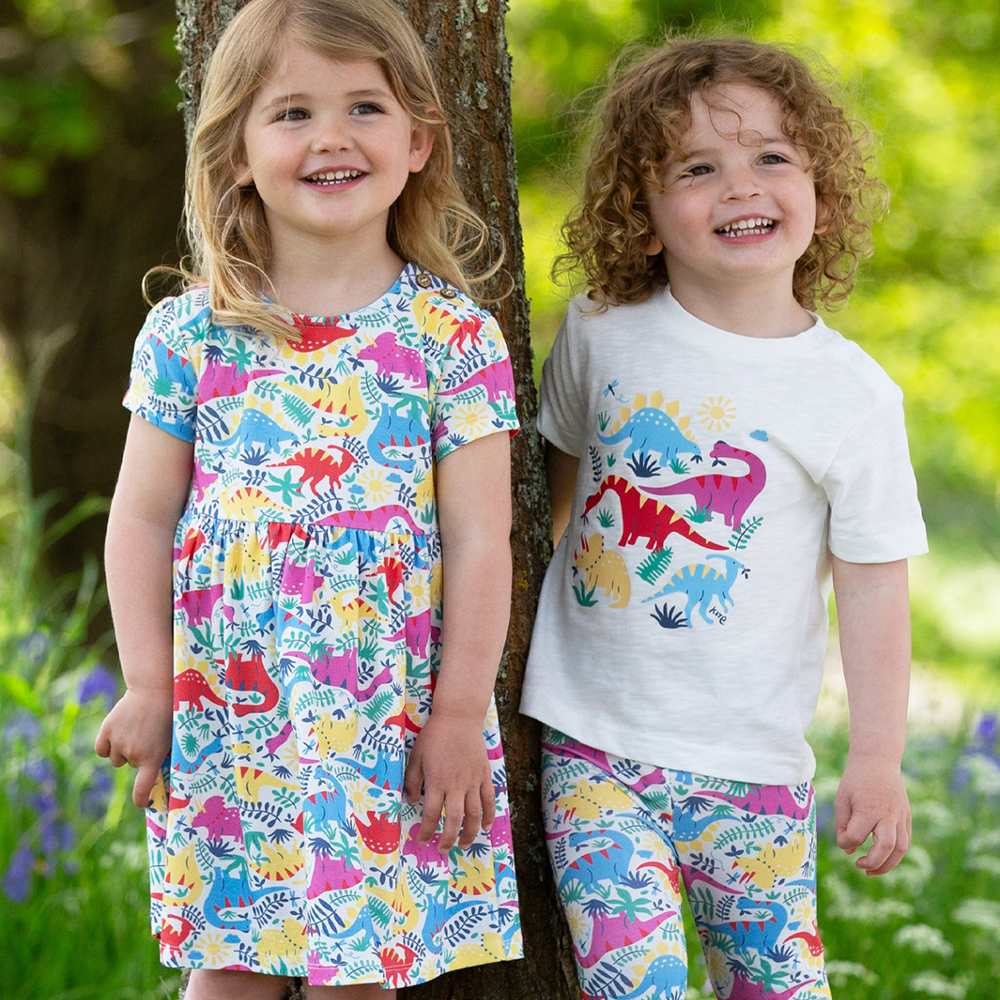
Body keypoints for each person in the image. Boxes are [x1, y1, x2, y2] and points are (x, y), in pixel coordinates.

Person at [93, 1, 522, 996]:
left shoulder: (450, 337)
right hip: (228, 720)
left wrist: (459, 711)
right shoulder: (190, 333)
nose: (331, 136)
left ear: (417, 140)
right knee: (228, 967)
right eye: (291, 113)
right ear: (237, 151)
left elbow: (481, 540)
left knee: (358, 974)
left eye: (363, 106)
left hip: (386, 722)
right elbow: (140, 517)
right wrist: (150, 684)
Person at [520, 36, 927, 1000]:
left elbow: (875, 585)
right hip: (594, 747)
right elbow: (549, 492)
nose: (742, 186)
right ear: (644, 215)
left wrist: (878, 756)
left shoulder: (854, 396)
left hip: (755, 772)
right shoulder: (599, 331)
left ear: (819, 188)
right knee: (638, 986)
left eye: (772, 157)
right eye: (698, 168)